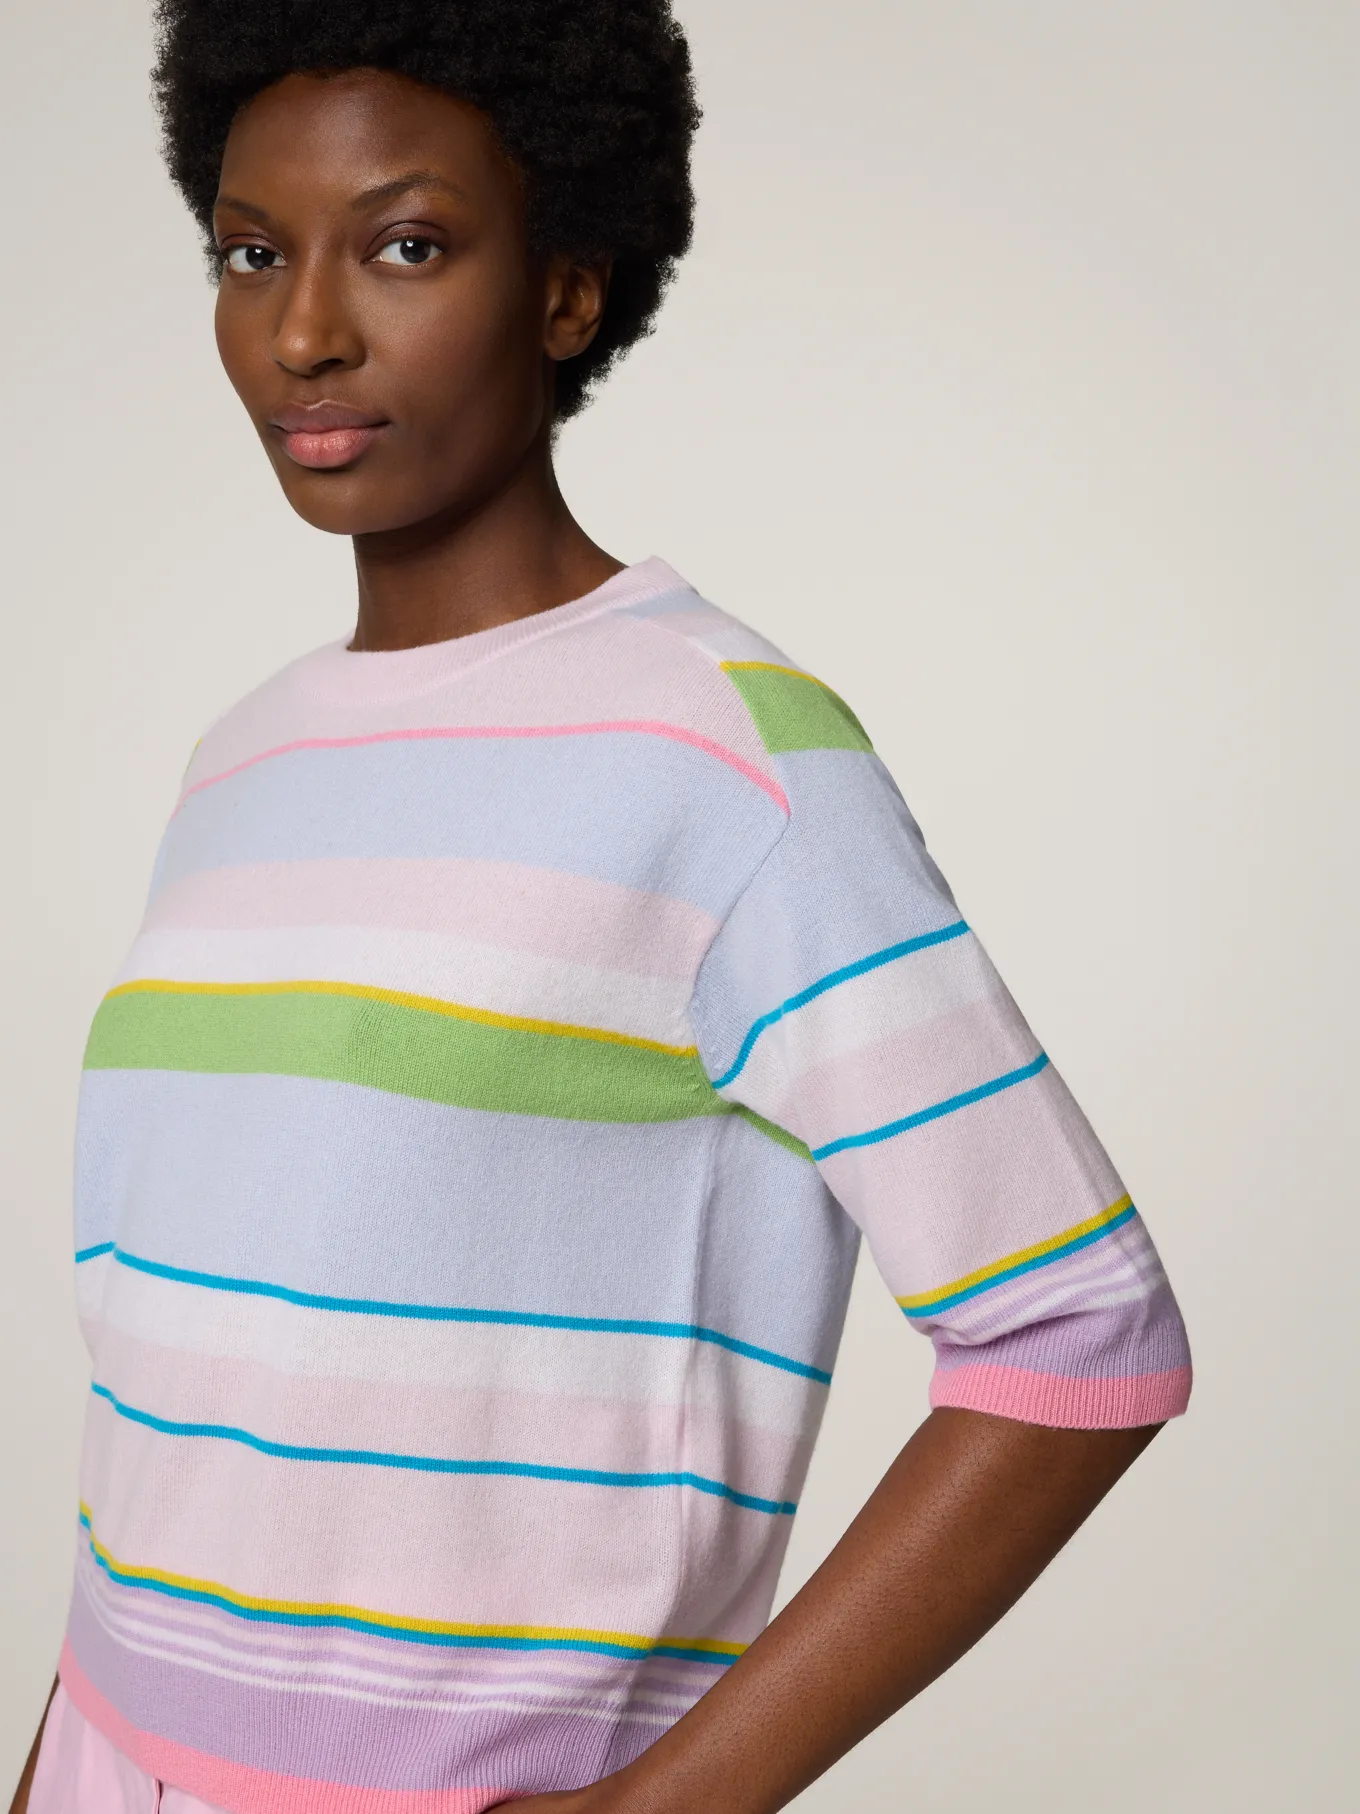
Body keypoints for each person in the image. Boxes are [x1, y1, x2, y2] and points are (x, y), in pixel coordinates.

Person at [9, 3, 1192, 1811]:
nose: (305, 332)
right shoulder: (240, 759)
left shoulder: (727, 760)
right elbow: (177, 1413)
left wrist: (665, 1805)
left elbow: (1080, 1329)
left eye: (407, 246)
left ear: (567, 291)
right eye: (252, 254)